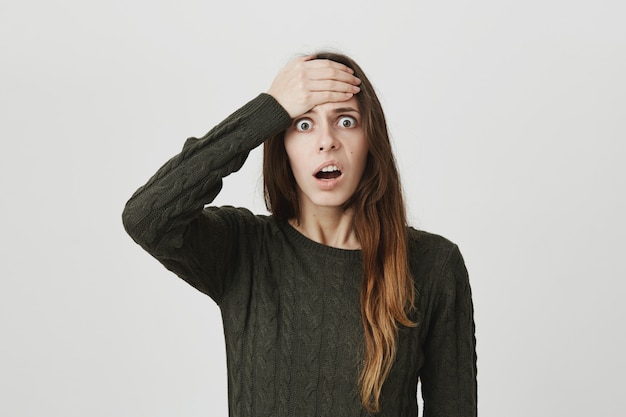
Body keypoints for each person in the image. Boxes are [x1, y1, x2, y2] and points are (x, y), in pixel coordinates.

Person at [122, 51, 477, 417]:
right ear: (282, 145)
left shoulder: (433, 265)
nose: (327, 141)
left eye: (346, 121)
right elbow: (146, 217)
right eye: (303, 125)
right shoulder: (244, 249)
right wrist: (267, 110)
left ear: (371, 140)